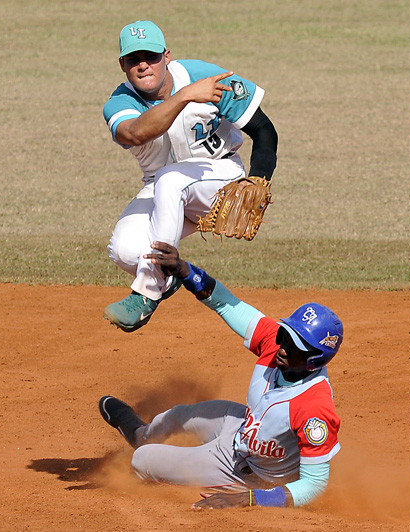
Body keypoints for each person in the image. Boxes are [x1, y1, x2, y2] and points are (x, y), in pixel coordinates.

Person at [99, 242, 343, 509]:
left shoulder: (314, 409)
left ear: (313, 361)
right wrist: (183, 270)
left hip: (247, 474)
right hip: (240, 426)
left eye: (295, 345)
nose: (282, 346)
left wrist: (251, 498)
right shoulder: (276, 343)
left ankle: (161, 457)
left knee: (141, 461)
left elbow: (315, 485)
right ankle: (141, 434)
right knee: (177, 416)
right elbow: (226, 304)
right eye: (286, 335)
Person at [102, 20, 278, 333]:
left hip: (220, 179)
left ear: (166, 56)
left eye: (151, 56)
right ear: (122, 65)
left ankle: (146, 292)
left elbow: (264, 130)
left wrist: (258, 180)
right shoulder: (120, 103)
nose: (144, 65)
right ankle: (166, 275)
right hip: (164, 190)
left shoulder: (203, 76)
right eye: (133, 60)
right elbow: (136, 132)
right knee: (124, 249)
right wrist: (184, 97)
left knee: (172, 179)